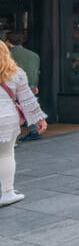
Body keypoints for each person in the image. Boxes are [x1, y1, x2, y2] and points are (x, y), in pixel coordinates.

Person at [0, 41, 47, 207]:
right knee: (5, 155)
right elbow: (27, 99)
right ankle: (7, 192)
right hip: (6, 118)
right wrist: (38, 119)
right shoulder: (15, 72)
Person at [6, 34, 42, 141]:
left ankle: (12, 135)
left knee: (12, 108)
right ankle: (34, 130)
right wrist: (34, 85)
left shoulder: (8, 55)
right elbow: (36, 71)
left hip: (13, 84)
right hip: (30, 84)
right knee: (28, 106)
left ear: (8, 42)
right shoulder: (33, 55)